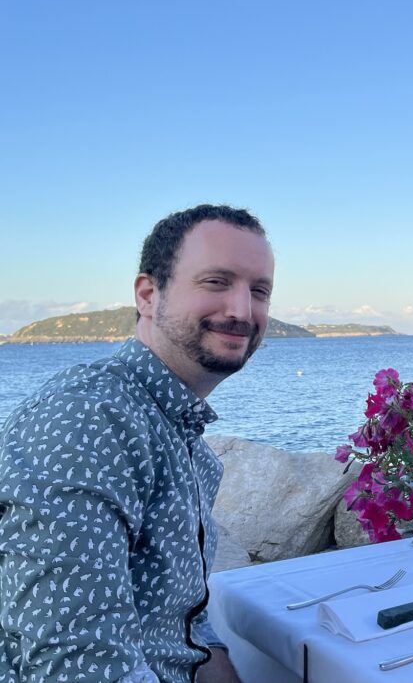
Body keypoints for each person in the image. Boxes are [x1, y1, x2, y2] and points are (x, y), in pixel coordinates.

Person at [0, 204, 275, 683]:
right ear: (148, 295)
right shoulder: (87, 421)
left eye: (259, 291)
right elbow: (78, 665)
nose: (241, 310)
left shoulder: (180, 434)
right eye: (216, 282)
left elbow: (182, 621)